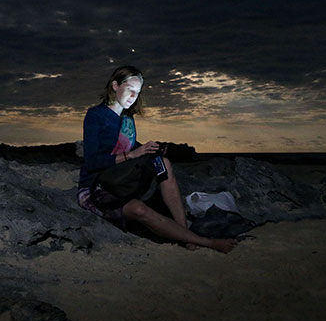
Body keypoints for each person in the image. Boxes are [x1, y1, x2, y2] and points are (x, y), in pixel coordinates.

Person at [78, 65, 237, 254]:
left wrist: (150, 149)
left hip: (121, 180)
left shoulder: (127, 119)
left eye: (137, 93)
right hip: (97, 186)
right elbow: (92, 162)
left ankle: (184, 232)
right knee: (139, 209)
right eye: (130, 90)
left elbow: (127, 145)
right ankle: (206, 242)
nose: (133, 97)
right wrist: (133, 155)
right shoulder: (96, 115)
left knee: (163, 163)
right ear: (115, 86)